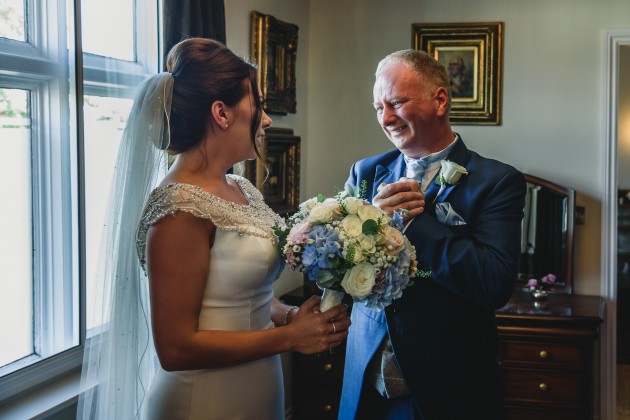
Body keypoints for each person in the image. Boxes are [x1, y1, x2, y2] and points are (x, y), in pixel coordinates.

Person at [77, 38, 350, 420]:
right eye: (257, 105)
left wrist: (291, 317)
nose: (266, 119)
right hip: (204, 400)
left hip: (259, 389)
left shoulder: (241, 187)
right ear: (221, 113)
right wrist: (289, 338)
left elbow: (242, 293)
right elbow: (175, 349)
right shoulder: (178, 207)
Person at [338, 49, 526, 419]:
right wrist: (370, 226)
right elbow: (339, 265)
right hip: (365, 378)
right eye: (378, 107)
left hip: (447, 385)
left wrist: (417, 224)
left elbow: (494, 283)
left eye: (396, 103)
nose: (386, 118)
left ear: (440, 100)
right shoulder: (365, 172)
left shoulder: (497, 182)